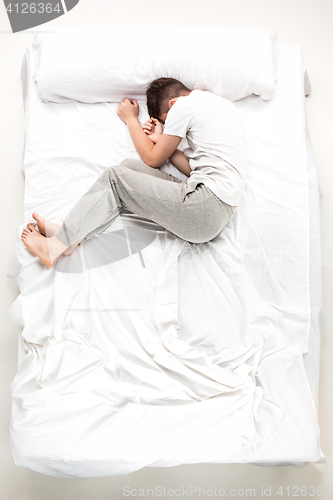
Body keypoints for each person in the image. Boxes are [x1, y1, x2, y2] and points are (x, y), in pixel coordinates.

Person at [21, 78, 247, 267]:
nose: (169, 129)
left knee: (115, 178)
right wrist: (165, 144)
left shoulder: (183, 106)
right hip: (214, 209)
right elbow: (193, 170)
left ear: (173, 102)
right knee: (129, 168)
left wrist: (131, 120)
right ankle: (71, 237)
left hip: (204, 207)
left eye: (167, 123)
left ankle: (53, 247)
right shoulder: (221, 106)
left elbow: (152, 158)